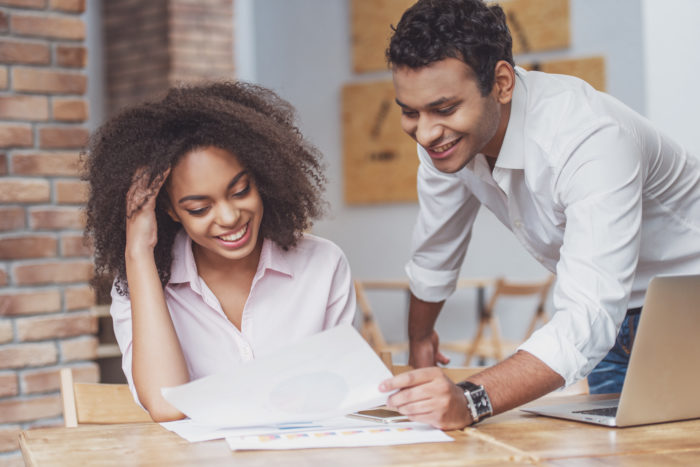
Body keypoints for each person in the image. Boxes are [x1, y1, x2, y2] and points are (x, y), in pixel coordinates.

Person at [378, 0, 700, 430]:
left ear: (502, 83)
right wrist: (420, 338)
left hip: (686, 311)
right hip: (617, 322)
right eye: (409, 111)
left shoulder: (590, 139)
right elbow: (435, 253)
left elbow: (587, 319)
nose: (425, 132)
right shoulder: (446, 140)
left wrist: (470, 400)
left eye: (444, 108)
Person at [83, 82, 356, 421]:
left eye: (240, 191)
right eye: (199, 209)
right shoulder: (141, 284)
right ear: (170, 211)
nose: (229, 218)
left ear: (262, 178)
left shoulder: (322, 266)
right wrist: (138, 252)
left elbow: (337, 393)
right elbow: (169, 406)